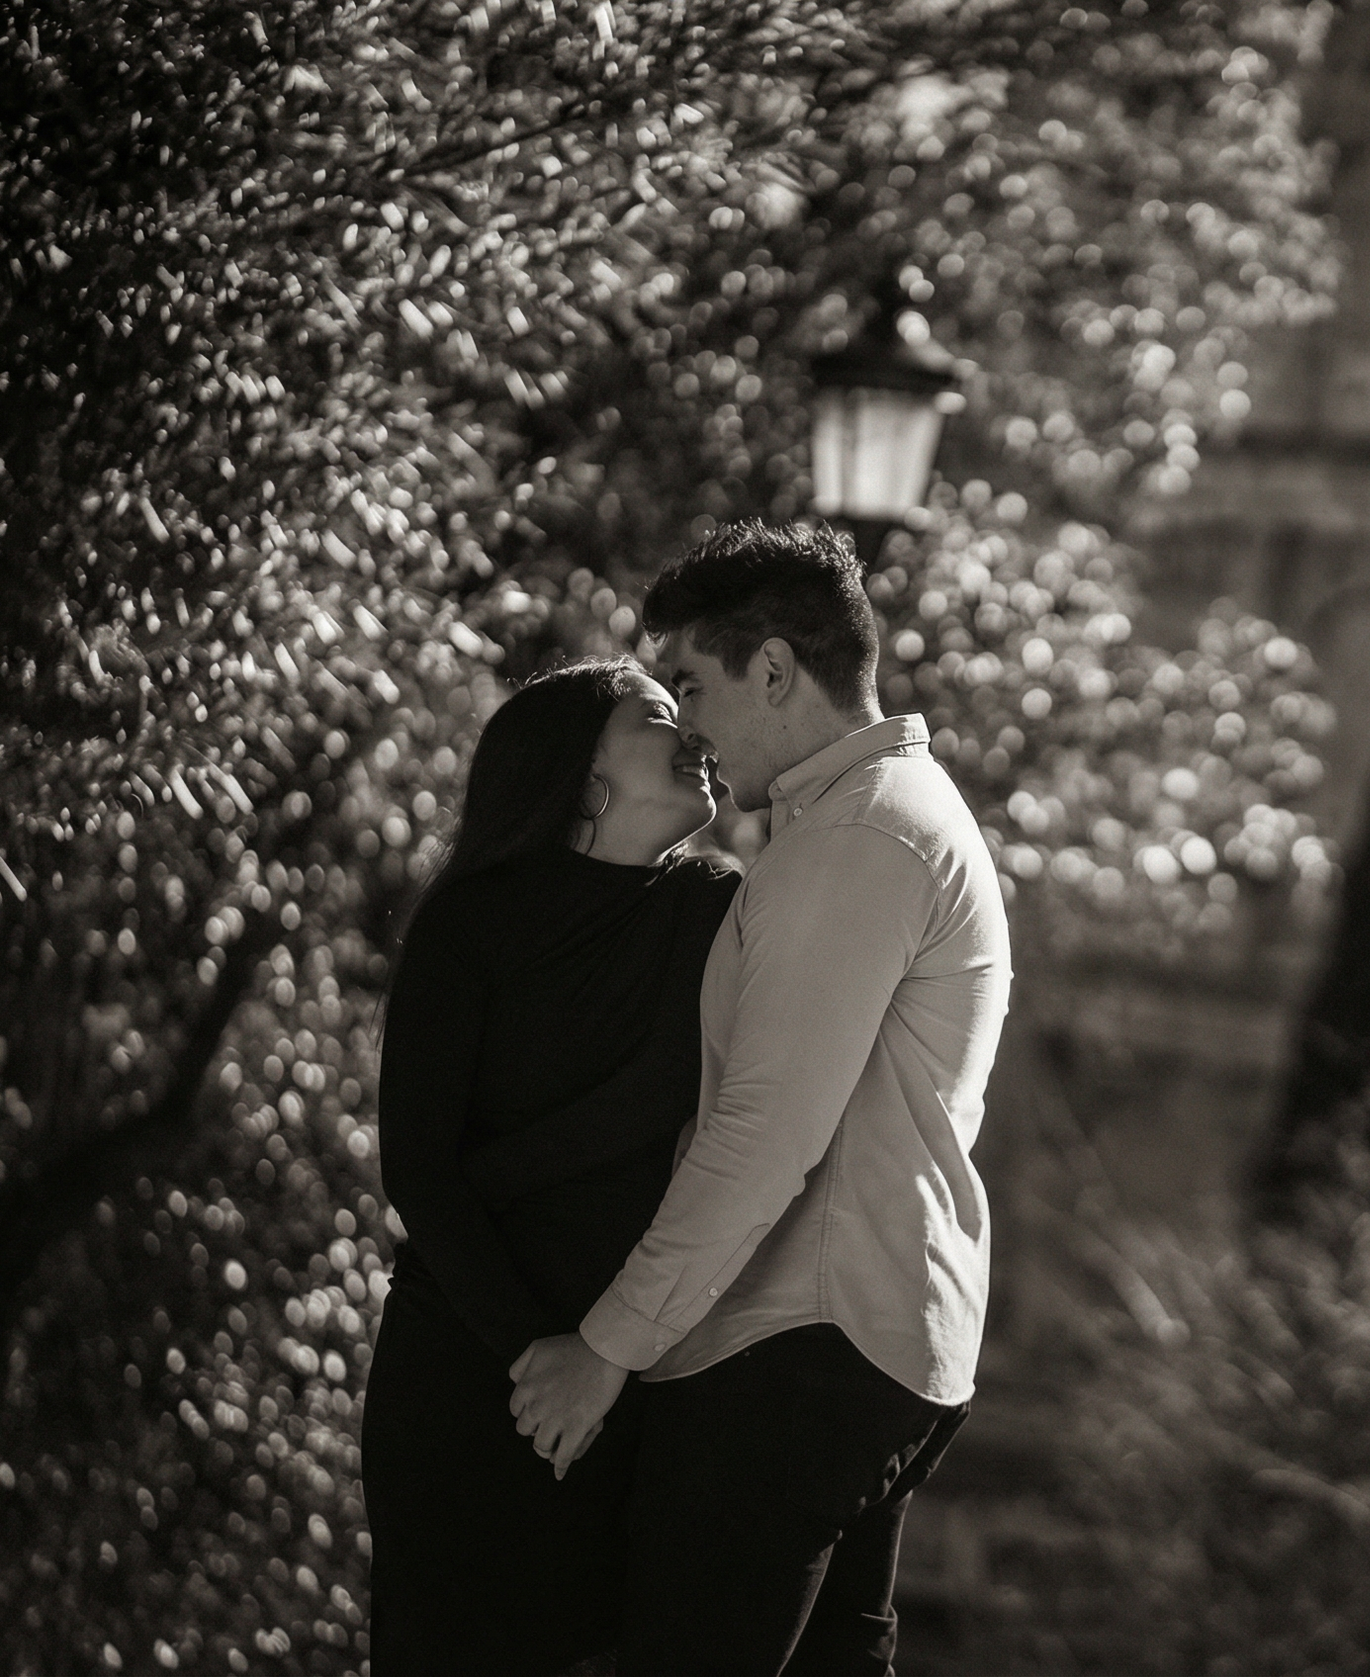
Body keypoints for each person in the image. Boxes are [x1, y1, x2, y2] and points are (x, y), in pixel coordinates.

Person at [507, 520, 1012, 1677]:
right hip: (872, 1340)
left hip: (803, 1343)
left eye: (690, 683)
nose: (681, 723)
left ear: (774, 669)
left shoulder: (861, 836)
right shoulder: (884, 816)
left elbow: (763, 1137)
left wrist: (606, 1346)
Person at [360, 658, 739, 1674]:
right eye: (657, 716)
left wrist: (596, 1365)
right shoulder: (468, 922)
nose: (692, 730)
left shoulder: (712, 909)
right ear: (578, 771)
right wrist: (542, 1364)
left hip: (621, 1381)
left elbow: (681, 1103)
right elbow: (419, 1169)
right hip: (465, 1371)